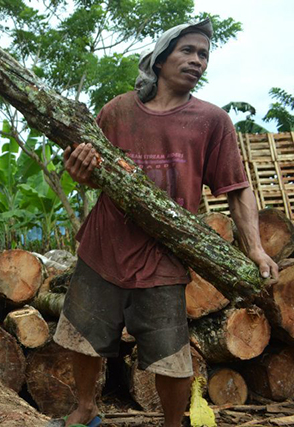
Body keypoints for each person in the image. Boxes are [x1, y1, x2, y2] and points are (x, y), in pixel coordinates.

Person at [54, 18, 279, 427]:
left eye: (204, 54)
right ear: (160, 59)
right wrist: (79, 170)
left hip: (163, 258)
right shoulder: (118, 110)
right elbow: (86, 170)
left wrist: (256, 248)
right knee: (83, 336)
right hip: (104, 246)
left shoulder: (212, 121)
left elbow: (237, 187)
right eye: (187, 51)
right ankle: (85, 409)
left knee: (171, 354)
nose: (197, 60)